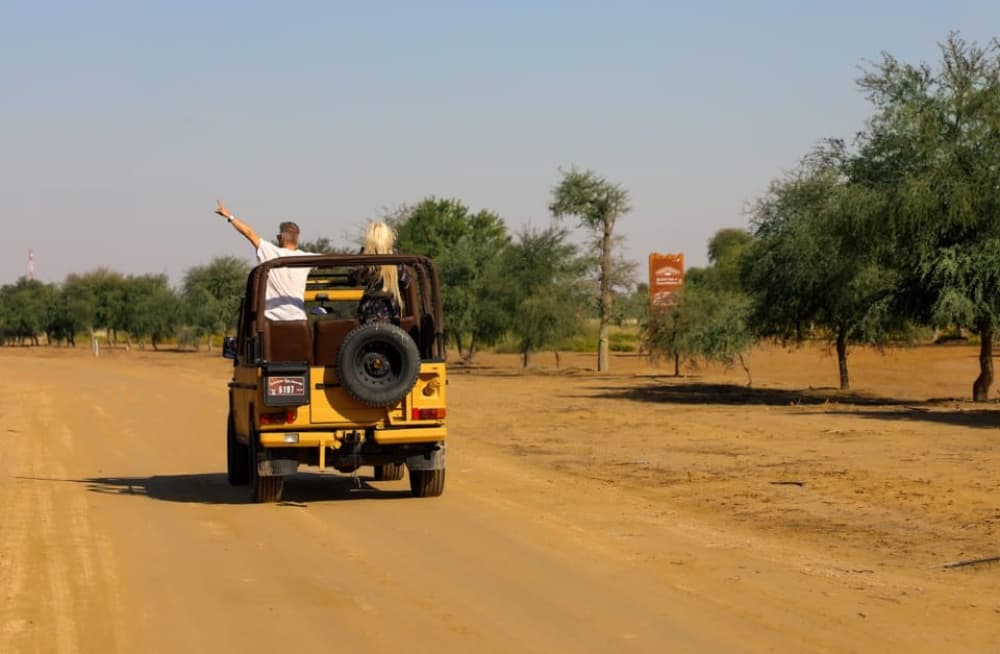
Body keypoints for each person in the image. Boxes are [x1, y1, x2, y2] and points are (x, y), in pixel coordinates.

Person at [213, 200, 317, 321]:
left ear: (281, 237)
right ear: (297, 238)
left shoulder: (270, 252)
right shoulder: (307, 258)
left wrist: (229, 216)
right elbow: (330, 260)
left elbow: (249, 233)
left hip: (271, 322)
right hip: (299, 321)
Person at [350, 221, 409, 325]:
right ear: (388, 237)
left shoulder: (362, 258)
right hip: (391, 309)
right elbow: (406, 281)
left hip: (368, 310)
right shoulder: (396, 257)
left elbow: (352, 278)